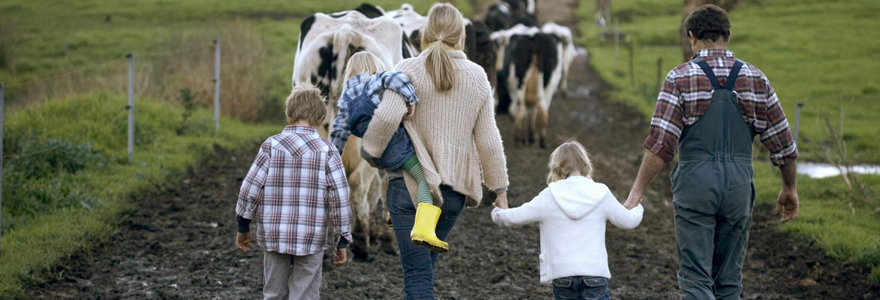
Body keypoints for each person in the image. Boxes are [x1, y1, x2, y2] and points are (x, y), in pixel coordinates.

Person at [622, 5, 800, 300]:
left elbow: (661, 145)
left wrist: (637, 191)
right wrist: (789, 187)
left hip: (695, 186)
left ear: (692, 37)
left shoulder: (678, 78)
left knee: (695, 279)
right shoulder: (757, 79)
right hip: (738, 188)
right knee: (728, 280)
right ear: (727, 36)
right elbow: (784, 144)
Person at [360, 3, 510, 299]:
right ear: (461, 35)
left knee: (417, 276)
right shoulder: (477, 76)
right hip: (453, 194)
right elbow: (489, 138)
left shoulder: (407, 69)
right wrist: (500, 190)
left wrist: (371, 152)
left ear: (425, 32)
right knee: (425, 269)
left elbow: (388, 118)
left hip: (407, 189)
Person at [234, 86, 353, 300]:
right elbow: (340, 198)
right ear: (321, 119)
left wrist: (244, 225)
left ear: (288, 116)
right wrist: (341, 238)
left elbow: (250, 187)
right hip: (311, 238)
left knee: (273, 293)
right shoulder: (328, 151)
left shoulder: (270, 146)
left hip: (274, 235)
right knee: (306, 294)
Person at [492, 141, 644, 300]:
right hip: (595, 275)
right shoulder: (601, 193)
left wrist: (499, 211)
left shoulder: (549, 195)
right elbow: (628, 221)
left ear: (557, 166)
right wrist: (638, 207)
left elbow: (514, 217)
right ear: (586, 163)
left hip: (563, 277)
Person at [329, 51, 448, 252]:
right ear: (374, 66)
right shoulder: (375, 80)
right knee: (423, 179)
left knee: (396, 175)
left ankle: (393, 213)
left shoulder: (346, 97)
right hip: (395, 144)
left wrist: (333, 157)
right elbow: (397, 78)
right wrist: (411, 101)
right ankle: (424, 230)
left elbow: (339, 130)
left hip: (372, 151)